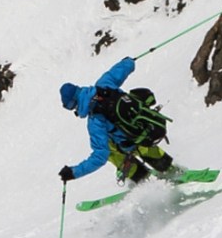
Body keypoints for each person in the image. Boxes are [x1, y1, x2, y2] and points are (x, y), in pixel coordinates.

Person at [57, 54, 173, 186]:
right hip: (147, 126)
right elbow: (122, 69)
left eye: (71, 106)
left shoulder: (95, 121)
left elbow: (100, 156)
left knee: (110, 149)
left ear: (74, 103)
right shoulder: (104, 84)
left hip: (133, 142)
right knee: (139, 141)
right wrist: (129, 61)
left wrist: (74, 172)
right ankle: (169, 168)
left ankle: (143, 180)